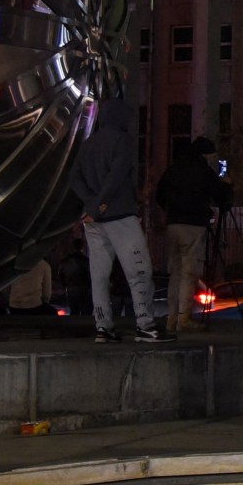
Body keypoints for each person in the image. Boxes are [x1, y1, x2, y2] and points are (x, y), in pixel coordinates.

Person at [70, 94, 169, 343]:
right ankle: (145, 325)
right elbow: (116, 177)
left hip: (94, 222)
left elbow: (74, 178)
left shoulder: (89, 144)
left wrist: (91, 206)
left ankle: (103, 326)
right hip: (119, 216)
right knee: (139, 271)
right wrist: (100, 205)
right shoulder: (123, 141)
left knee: (99, 275)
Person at [155, 136, 233, 332]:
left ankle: (172, 319)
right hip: (193, 225)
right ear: (205, 155)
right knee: (190, 273)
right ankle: (184, 319)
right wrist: (227, 187)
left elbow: (159, 194)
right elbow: (221, 196)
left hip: (174, 223)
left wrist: (171, 209)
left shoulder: (174, 169)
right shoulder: (203, 171)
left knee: (176, 273)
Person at [5, 249, 56, 315]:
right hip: (34, 305)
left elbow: (6, 289)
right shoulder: (44, 265)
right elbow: (46, 293)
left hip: (14, 307)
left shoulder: (12, 264)